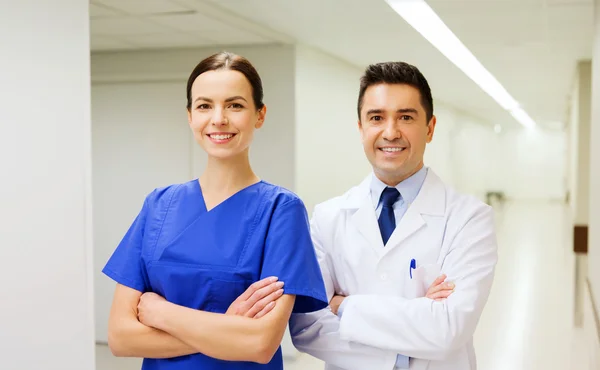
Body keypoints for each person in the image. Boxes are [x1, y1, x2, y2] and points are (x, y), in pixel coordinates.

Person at [102, 51, 328, 370]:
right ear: (190, 115)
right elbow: (121, 337)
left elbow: (260, 344)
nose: (218, 119)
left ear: (260, 115)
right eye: (204, 105)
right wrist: (227, 327)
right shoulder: (159, 205)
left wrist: (162, 314)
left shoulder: (281, 210)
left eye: (234, 105)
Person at [290, 61, 498, 370]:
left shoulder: (470, 218)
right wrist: (405, 347)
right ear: (361, 128)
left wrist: (343, 305)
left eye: (406, 117)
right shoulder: (328, 217)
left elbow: (448, 330)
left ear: (429, 128)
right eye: (376, 117)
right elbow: (308, 327)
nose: (390, 132)